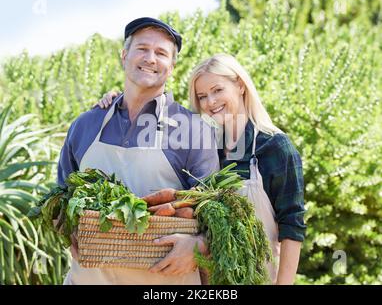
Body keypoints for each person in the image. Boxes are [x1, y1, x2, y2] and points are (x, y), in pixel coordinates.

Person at [98, 53, 307, 285]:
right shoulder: (207, 146)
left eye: (217, 90)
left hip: (255, 277)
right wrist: (122, 102)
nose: (210, 102)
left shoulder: (273, 146)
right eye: (202, 96)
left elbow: (292, 225)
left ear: (239, 85)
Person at [57, 17, 219, 285]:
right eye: (142, 49)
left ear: (172, 66)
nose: (151, 59)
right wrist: (67, 230)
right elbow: (61, 197)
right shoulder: (85, 125)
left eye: (161, 53)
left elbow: (214, 215)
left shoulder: (193, 130)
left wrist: (197, 245)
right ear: (124, 56)